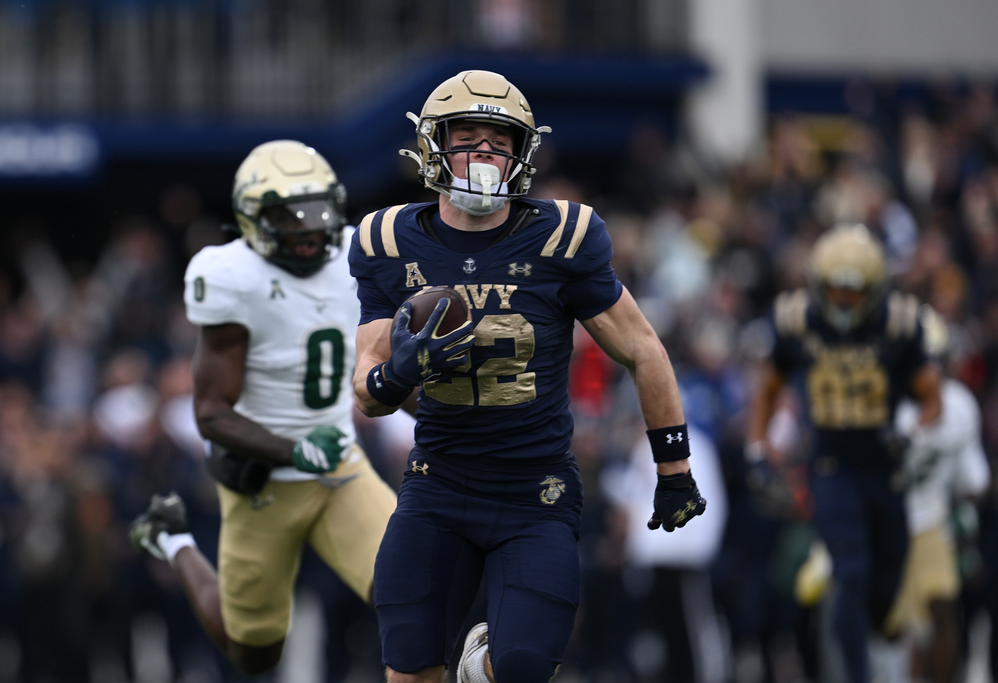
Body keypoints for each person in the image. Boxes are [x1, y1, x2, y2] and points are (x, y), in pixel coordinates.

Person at [348, 69, 706, 683]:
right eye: (468, 136)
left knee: (521, 668)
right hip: (438, 485)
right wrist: (399, 372)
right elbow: (367, 386)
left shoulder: (562, 237)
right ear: (433, 145)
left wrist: (673, 470)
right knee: (408, 671)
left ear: (523, 151)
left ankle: (480, 668)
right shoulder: (387, 240)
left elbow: (644, 350)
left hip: (533, 492)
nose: (485, 152)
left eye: (500, 139)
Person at [128, 140, 397, 676]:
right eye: (288, 216)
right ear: (252, 219)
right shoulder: (231, 275)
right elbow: (210, 412)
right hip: (263, 477)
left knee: (411, 592)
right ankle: (174, 540)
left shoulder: (359, 252)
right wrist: (294, 448)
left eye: (317, 212)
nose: (307, 229)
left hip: (339, 462)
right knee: (254, 651)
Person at [747, 222, 943, 683]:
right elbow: (769, 387)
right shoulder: (796, 319)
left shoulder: (898, 322)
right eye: (834, 289)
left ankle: (871, 637)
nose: (842, 300)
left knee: (885, 583)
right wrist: (760, 447)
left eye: (854, 291)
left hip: (884, 463)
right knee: (849, 570)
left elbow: (932, 397)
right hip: (831, 465)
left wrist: (913, 430)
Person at [883, 314, 990, 683]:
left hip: (931, 517)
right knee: (892, 630)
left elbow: (973, 480)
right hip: (886, 523)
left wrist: (967, 532)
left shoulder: (959, 406)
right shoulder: (885, 404)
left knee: (943, 611)